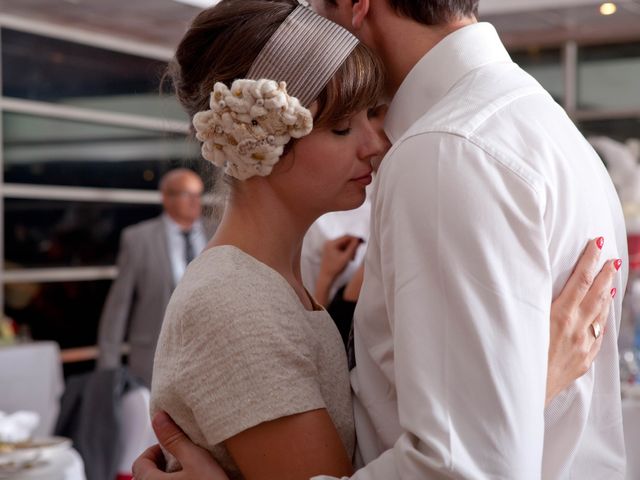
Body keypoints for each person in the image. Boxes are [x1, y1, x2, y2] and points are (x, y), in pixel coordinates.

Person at [135, 0, 623, 479]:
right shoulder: (235, 300)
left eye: (372, 116)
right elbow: (467, 458)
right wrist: (520, 394)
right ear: (257, 141)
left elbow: (464, 459)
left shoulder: (452, 150)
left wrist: (503, 406)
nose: (377, 143)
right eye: (343, 127)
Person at [96, 168, 208, 386]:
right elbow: (119, 305)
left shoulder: (216, 232)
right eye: (187, 194)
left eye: (198, 195)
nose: (195, 202)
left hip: (209, 354)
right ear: (166, 197)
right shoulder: (138, 238)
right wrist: (108, 369)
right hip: (154, 356)